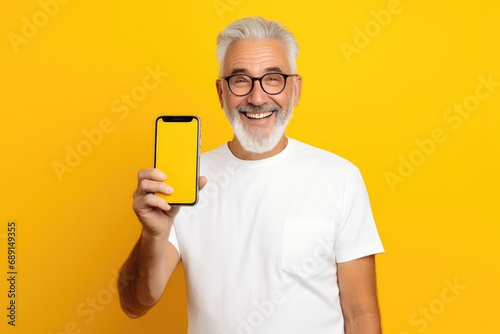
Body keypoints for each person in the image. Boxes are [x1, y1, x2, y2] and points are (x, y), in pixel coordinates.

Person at [118, 17, 384, 334]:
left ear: (295, 89)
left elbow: (361, 316)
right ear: (221, 92)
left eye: (273, 79)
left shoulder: (340, 178)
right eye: (241, 81)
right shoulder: (185, 181)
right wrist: (153, 235)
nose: (257, 98)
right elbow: (134, 304)